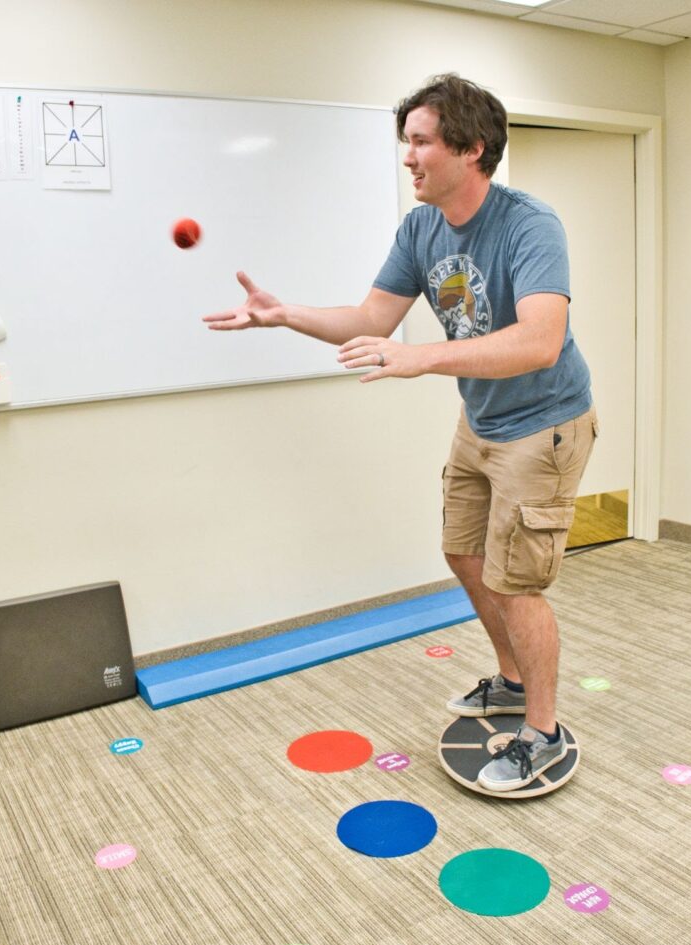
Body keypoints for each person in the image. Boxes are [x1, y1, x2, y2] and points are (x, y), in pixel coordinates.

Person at [203, 73, 597, 794]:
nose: (407, 158)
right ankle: (510, 680)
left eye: (419, 142)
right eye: (405, 143)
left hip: (543, 424)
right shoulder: (419, 228)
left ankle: (539, 731)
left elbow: (540, 340)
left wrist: (422, 357)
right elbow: (370, 320)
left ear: (470, 150)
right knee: (461, 552)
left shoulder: (527, 224)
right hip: (481, 417)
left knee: (517, 584)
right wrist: (282, 314)